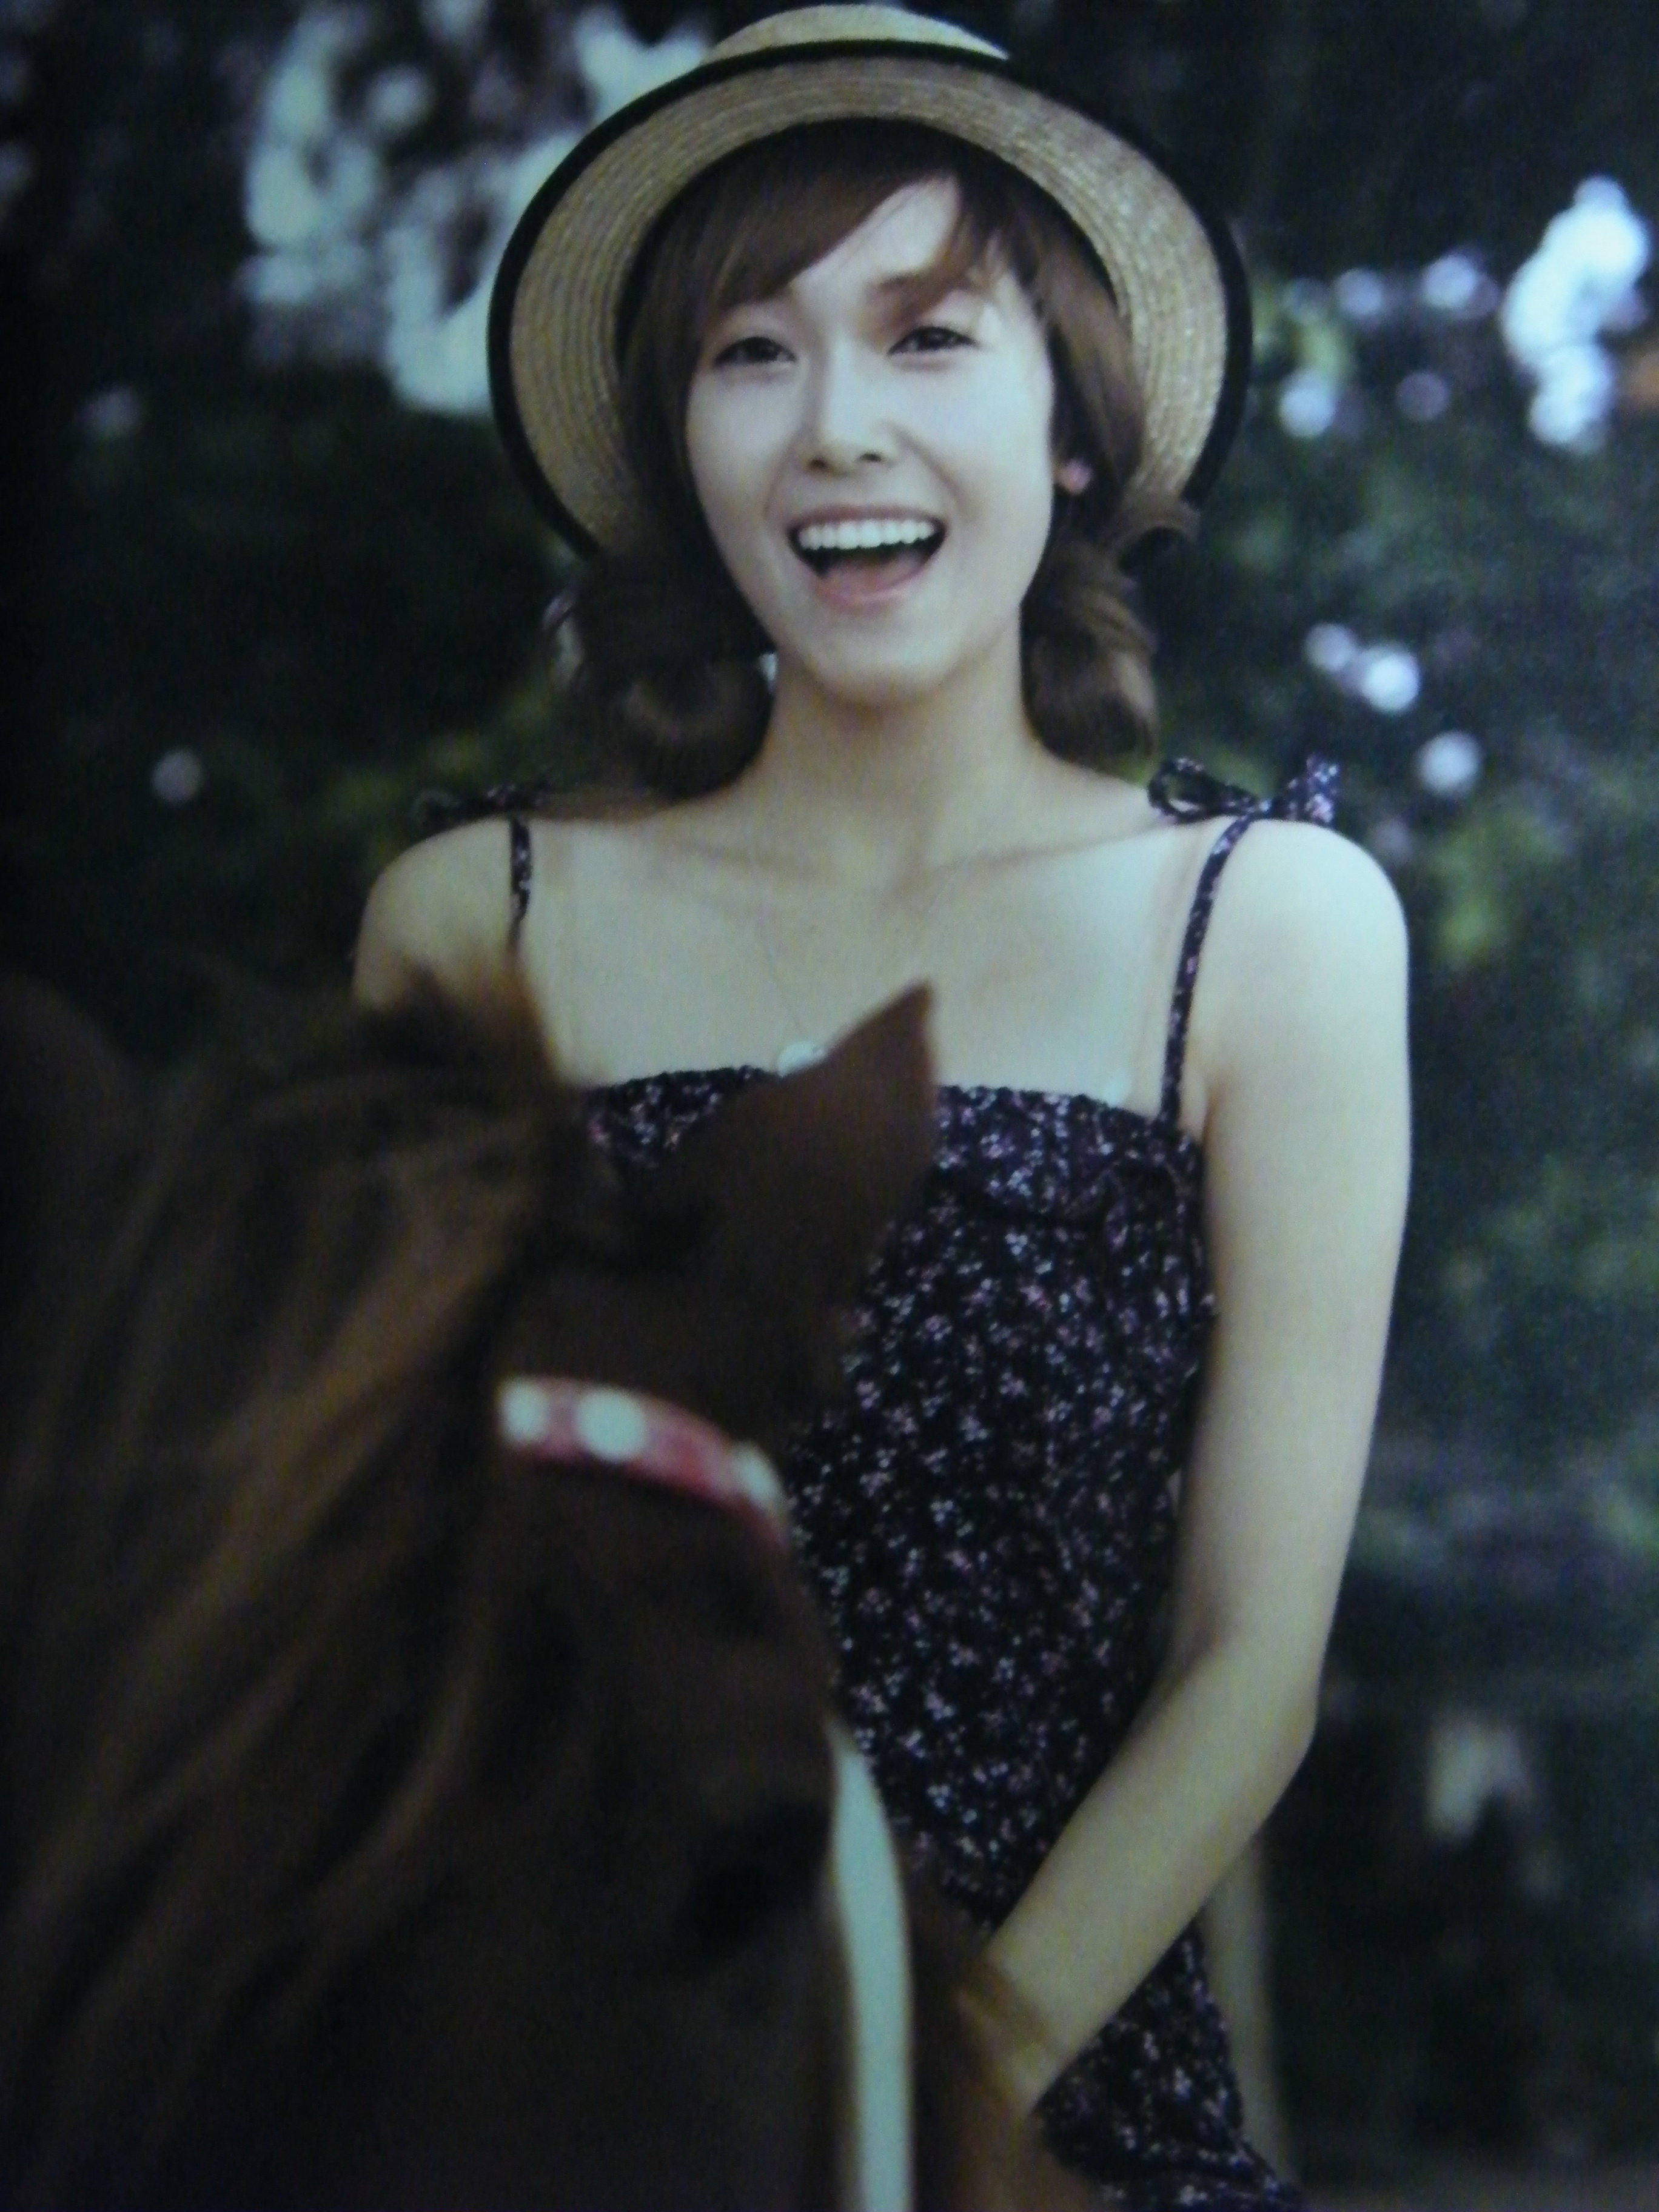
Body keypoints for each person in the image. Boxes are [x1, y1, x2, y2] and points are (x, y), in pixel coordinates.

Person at [355, 10, 1410, 2205]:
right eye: (753, 352)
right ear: (681, 447)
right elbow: (382, 1612)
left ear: (1073, 422)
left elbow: (1249, 1667)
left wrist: (914, 2119)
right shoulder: (474, 926)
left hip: (1050, 2125)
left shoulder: (1270, 929)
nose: (839, 423)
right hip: (554, 2116)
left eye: (928, 336)